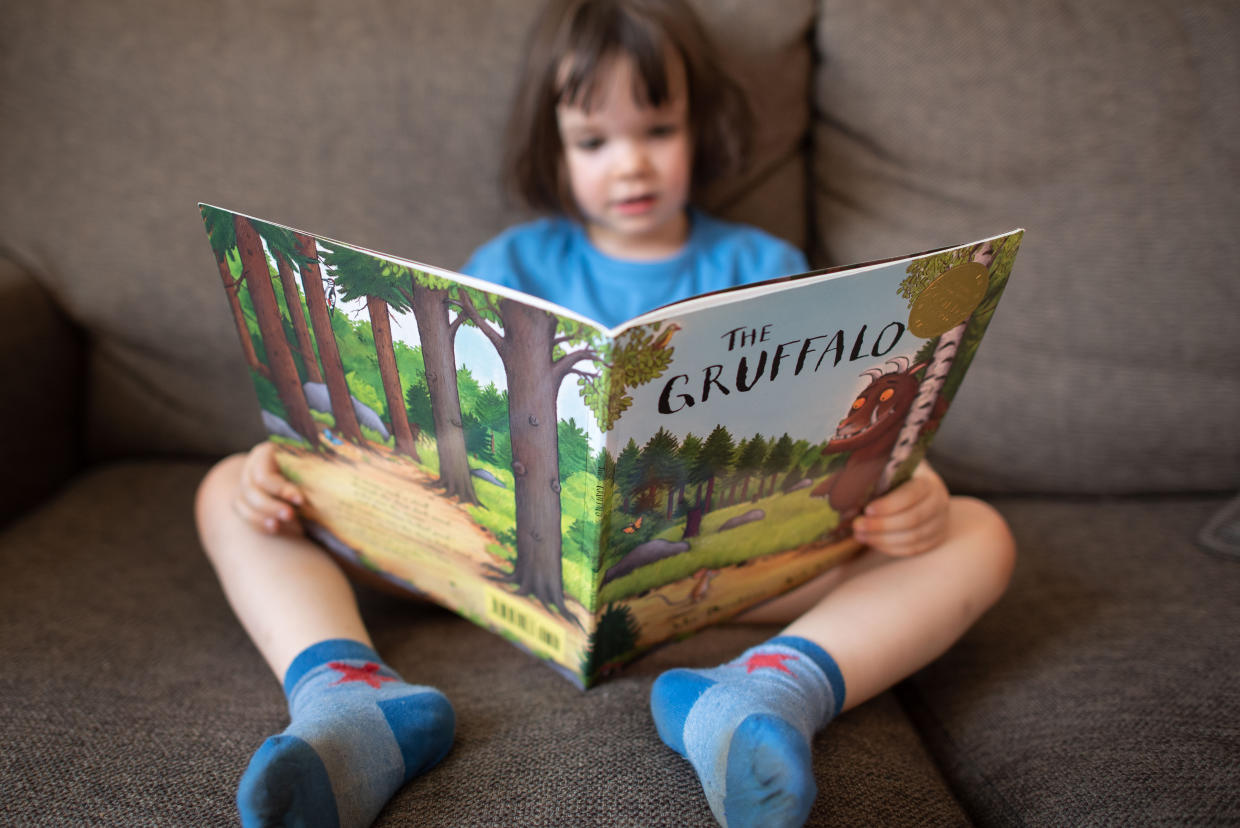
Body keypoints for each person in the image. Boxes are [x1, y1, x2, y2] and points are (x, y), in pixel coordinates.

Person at [195, 1, 1016, 826]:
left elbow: (835, 414)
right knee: (231, 488)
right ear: (552, 147)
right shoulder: (509, 265)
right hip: (474, 576)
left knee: (979, 534)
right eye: (594, 140)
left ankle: (764, 692)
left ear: (699, 128)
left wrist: (918, 493)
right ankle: (349, 700)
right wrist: (297, 466)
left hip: (730, 591)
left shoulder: (765, 267)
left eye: (657, 129)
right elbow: (438, 431)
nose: (630, 166)